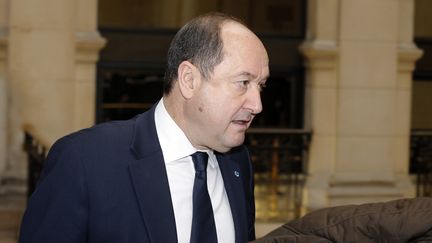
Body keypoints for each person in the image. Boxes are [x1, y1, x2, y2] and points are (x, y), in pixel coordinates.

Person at [19, 12, 269, 243]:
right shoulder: (84, 161)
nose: (257, 105)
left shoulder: (238, 164)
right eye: (243, 82)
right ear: (189, 80)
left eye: (261, 86)